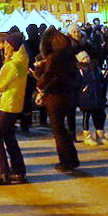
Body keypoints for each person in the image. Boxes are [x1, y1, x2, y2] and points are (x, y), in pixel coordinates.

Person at [34, 27, 80, 173]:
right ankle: (71, 158)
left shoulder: (54, 57)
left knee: (58, 129)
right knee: (61, 129)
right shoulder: (68, 55)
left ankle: (66, 160)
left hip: (55, 95)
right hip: (65, 94)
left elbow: (48, 76)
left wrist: (40, 82)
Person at [0, 30, 28, 185]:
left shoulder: (11, 65)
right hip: (16, 102)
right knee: (9, 136)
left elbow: (0, 84)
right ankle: (19, 171)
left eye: (6, 44)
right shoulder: (23, 60)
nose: (4, 46)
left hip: (7, 104)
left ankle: (1, 172)